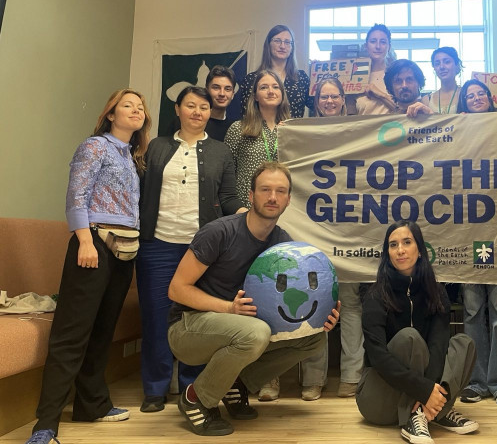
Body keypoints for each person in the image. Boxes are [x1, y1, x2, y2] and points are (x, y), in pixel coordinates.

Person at [167, 162, 340, 436]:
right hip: (188, 328)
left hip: (240, 328)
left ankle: (235, 383)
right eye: (265, 189)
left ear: (288, 200)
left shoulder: (283, 244)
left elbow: (297, 303)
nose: (272, 197)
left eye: (280, 191)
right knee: (256, 332)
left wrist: (321, 316)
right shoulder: (219, 232)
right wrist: (229, 308)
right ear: (250, 195)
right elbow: (177, 289)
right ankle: (196, 398)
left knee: (314, 338)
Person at [26, 89, 152, 444]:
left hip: (125, 249)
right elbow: (76, 194)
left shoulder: (132, 156)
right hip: (93, 243)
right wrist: (84, 240)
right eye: (127, 105)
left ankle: (92, 404)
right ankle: (46, 425)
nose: (136, 110)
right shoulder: (94, 146)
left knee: (101, 330)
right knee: (72, 333)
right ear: (110, 114)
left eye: (140, 107)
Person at [137, 86, 247, 413]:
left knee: (197, 320)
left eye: (204, 107)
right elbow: (140, 191)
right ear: (178, 109)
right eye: (191, 106)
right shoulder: (155, 146)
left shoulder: (221, 152)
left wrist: (247, 213)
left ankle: (191, 388)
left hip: (202, 249)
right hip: (157, 245)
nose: (197, 112)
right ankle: (155, 389)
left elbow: (228, 197)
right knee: (156, 317)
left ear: (210, 113)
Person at [358, 220, 479, 444]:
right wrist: (423, 389)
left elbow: (439, 344)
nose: (400, 250)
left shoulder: (436, 292)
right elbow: (377, 356)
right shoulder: (375, 295)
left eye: (407, 242)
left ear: (420, 250)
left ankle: (431, 411)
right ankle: (420, 414)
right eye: (393, 245)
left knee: (464, 342)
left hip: (421, 392)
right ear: (387, 254)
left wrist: (428, 393)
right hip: (377, 400)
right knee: (409, 338)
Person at [294, 78, 365, 401]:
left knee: (349, 304)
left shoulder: (357, 131)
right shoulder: (303, 132)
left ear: (343, 99)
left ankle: (351, 375)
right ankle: (312, 379)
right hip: (314, 230)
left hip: (349, 232)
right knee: (316, 304)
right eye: (324, 96)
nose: (330, 101)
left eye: (335, 96)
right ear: (316, 100)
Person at [454, 79, 497, 406]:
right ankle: (476, 380)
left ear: (491, 99)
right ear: (462, 104)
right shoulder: (455, 134)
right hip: (466, 236)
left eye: (481, 94)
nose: (476, 98)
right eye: (470, 96)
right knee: (473, 309)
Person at [225, 69, 291, 209]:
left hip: (283, 210)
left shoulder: (293, 131)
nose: (271, 91)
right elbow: (226, 175)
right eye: (264, 87)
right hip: (246, 209)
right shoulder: (239, 129)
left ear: (282, 94)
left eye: (275, 87)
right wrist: (236, 208)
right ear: (255, 96)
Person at [241, 24, 311, 119]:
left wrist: (317, 72)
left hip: (293, 132)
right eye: (277, 41)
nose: (282, 46)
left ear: (292, 48)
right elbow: (247, 113)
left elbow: (318, 104)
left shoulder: (301, 78)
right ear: (268, 44)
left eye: (287, 42)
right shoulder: (251, 79)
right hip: (260, 132)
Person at [354, 24, 397, 115]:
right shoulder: (355, 76)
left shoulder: (396, 75)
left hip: (392, 128)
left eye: (383, 42)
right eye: (373, 41)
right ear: (366, 46)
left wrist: (380, 94)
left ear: (389, 47)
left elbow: (404, 108)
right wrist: (317, 68)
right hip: (364, 128)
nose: (378, 46)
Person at [422, 47, 463, 114]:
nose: (442, 67)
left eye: (447, 62)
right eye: (437, 64)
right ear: (434, 68)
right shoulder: (427, 100)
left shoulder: (467, 95)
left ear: (457, 65)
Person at [205, 65, 237, 141]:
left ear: (232, 94)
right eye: (216, 87)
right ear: (206, 90)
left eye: (227, 89)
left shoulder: (235, 129)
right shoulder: (194, 122)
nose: (222, 94)